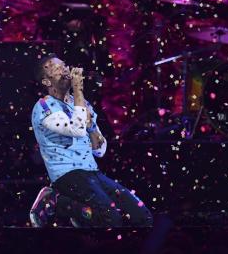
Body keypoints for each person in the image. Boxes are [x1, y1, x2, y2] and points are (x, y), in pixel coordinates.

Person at [30, 54, 153, 227]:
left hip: (92, 172)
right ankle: (57, 202)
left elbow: (99, 150)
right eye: (56, 68)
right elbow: (77, 130)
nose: (64, 69)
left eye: (64, 65)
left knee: (142, 217)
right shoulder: (44, 106)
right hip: (67, 175)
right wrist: (78, 89)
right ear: (47, 82)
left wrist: (92, 126)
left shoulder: (79, 103)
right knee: (111, 218)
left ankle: (81, 214)